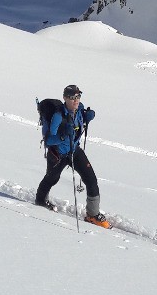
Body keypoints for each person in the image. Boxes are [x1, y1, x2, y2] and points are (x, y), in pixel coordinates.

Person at [35, 84, 110, 227]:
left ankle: (93, 215)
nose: (75, 100)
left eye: (78, 97)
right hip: (58, 154)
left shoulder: (79, 111)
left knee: (91, 179)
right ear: (65, 98)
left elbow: (78, 126)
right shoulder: (58, 116)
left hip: (74, 150)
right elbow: (49, 139)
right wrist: (63, 136)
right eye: (71, 97)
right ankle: (40, 201)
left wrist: (87, 118)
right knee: (51, 178)